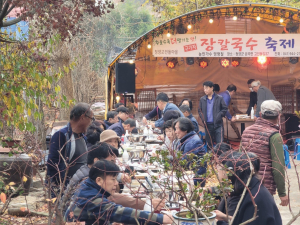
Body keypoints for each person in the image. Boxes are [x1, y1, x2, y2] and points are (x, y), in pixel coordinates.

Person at [64, 160, 173, 225]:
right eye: (113, 179)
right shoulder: (91, 199)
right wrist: (161, 218)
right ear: (99, 180)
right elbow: (119, 212)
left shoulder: (88, 186)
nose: (116, 183)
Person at [240, 100, 288, 206]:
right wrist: (282, 193)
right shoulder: (274, 135)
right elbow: (278, 167)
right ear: (278, 116)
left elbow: (239, 158)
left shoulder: (246, 131)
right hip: (264, 187)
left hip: (245, 184)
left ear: (261, 114)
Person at [214, 152, 282, 225]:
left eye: (219, 170)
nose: (218, 174)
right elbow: (243, 220)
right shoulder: (252, 189)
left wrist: (218, 223)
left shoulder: (254, 198)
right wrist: (224, 218)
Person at [47, 103, 94, 190]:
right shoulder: (62, 135)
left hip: (80, 189)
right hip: (65, 191)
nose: (91, 123)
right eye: (91, 119)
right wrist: (63, 188)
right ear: (83, 117)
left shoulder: (83, 138)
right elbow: (53, 164)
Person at [173, 118, 206, 186]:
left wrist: (168, 158)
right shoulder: (187, 139)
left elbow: (184, 163)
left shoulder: (192, 142)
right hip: (189, 175)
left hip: (195, 178)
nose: (175, 132)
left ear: (185, 129)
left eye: (177, 129)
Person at [198, 81, 228, 151]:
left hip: (218, 124)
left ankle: (221, 159)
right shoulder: (202, 99)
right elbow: (200, 110)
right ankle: (210, 160)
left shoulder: (219, 98)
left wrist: (219, 115)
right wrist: (203, 119)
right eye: (204, 88)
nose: (205, 90)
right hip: (207, 125)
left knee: (220, 144)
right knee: (209, 144)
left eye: (207, 88)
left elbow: (224, 108)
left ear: (212, 88)